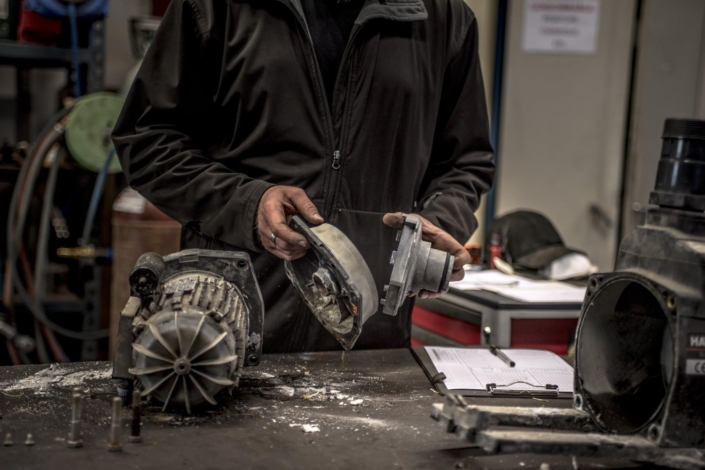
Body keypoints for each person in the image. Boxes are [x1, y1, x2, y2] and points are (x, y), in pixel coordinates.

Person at [112, 0, 495, 353]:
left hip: (368, 344)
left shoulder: (441, 17)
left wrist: (439, 225)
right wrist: (249, 204)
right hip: (223, 329)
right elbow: (147, 141)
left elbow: (465, 163)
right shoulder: (216, 6)